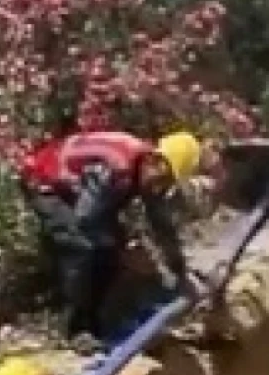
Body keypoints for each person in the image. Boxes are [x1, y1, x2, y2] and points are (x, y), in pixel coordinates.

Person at [18, 129, 207, 352]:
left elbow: (161, 224)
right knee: (81, 247)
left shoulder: (146, 171)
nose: (160, 187)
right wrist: (123, 246)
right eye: (162, 179)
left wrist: (180, 272)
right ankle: (76, 330)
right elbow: (85, 219)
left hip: (79, 192)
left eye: (168, 183)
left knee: (108, 249)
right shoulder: (117, 167)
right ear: (155, 160)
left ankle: (98, 324)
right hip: (43, 182)